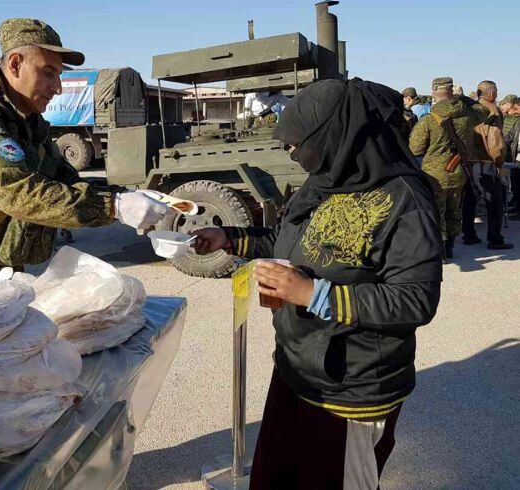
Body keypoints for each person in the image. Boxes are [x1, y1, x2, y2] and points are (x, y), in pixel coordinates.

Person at [192, 79, 442, 489]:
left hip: (351, 393)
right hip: (297, 372)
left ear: (335, 136)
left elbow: (416, 300)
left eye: (297, 143)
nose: (290, 152)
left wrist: (311, 293)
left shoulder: (405, 200)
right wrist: (232, 238)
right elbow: (290, 242)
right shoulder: (326, 179)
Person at [0, 18, 169, 298]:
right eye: (49, 73)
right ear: (15, 64)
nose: (58, 87)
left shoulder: (26, 123)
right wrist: (113, 206)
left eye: (59, 75)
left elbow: (64, 178)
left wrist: (127, 196)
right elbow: (19, 193)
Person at [409, 77, 476, 259]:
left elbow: (415, 148)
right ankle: (450, 248)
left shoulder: (430, 119)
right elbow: (482, 115)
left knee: (436, 211)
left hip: (435, 175)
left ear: (433, 92)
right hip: (459, 171)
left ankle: (440, 250)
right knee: (454, 210)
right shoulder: (468, 116)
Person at [462, 81, 513, 249]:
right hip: (487, 161)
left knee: (470, 199)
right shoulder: (492, 110)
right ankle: (495, 239)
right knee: (494, 202)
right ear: (492, 93)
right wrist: (500, 163)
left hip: (469, 161)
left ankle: (469, 234)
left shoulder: (470, 108)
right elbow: (495, 140)